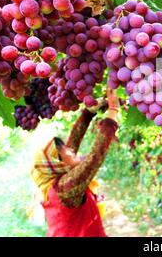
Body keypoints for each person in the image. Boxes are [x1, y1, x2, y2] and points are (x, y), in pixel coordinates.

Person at [30, 89, 119, 237]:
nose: (71, 150)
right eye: (65, 149)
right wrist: (113, 112)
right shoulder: (64, 189)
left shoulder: (55, 180)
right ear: (57, 162)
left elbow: (73, 142)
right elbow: (94, 158)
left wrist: (88, 113)